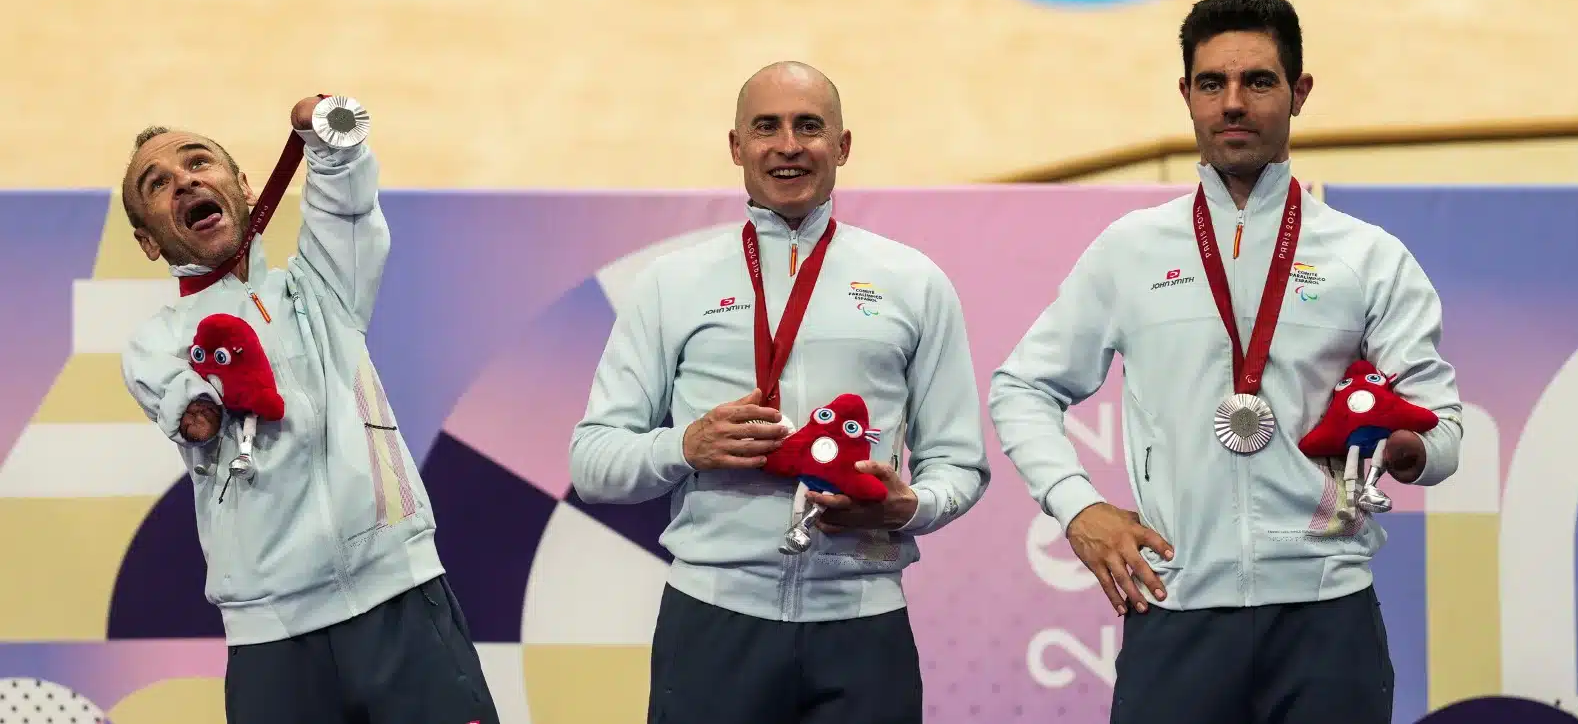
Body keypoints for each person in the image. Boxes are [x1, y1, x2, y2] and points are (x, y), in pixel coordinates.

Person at [987, 0, 1463, 724]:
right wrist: (1079, 506)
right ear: (1187, 95)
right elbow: (1022, 387)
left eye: (1259, 81)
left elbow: (1444, 430)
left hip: (1326, 616)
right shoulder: (1131, 250)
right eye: (1213, 83)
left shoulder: (1367, 256)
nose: (1233, 102)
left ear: (1299, 92)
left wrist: (1404, 446)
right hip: (1178, 610)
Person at [569, 61, 990, 724]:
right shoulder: (671, 283)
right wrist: (687, 445)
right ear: (736, 147)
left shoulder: (914, 282)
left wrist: (909, 506)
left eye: (809, 126)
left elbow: (961, 464)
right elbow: (593, 462)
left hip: (862, 622)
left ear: (843, 146)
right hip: (712, 621)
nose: (788, 144)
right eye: (766, 126)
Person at [118, 96, 500, 724]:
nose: (185, 179)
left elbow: (346, 202)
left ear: (241, 185)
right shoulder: (155, 342)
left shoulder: (323, 286)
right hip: (273, 634)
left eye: (199, 163)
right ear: (147, 240)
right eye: (158, 184)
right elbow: (189, 408)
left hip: (398, 596)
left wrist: (331, 134)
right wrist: (207, 405)